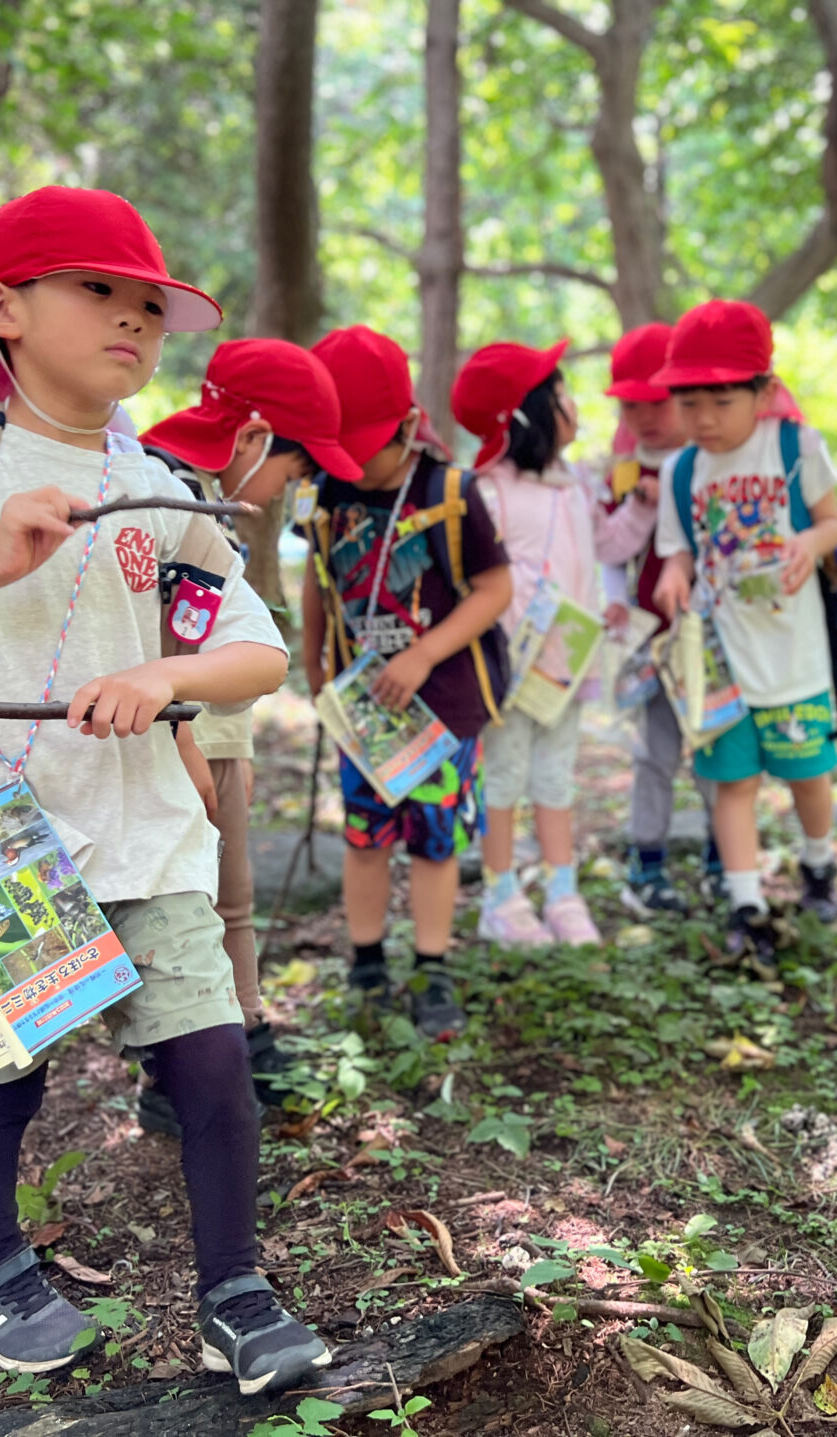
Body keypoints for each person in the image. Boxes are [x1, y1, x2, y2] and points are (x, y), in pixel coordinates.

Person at [0, 187, 329, 1393]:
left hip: (145, 826)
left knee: (210, 1065)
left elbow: (253, 652)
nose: (133, 322)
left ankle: (235, 1291)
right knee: (2, 1076)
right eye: (98, 292)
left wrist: (164, 671)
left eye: (150, 305)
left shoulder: (161, 491)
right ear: (0, 307)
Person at [135, 339, 363, 1122]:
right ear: (256, 434)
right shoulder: (166, 488)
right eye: (293, 471)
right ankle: (181, 1076)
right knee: (191, 908)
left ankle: (244, 1035)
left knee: (229, 902)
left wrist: (233, 744)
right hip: (176, 735)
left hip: (212, 735)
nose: (285, 494)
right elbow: (153, 640)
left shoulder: (200, 486)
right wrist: (188, 741)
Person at [303, 326, 512, 1036]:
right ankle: (366, 958)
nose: (354, 466)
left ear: (407, 426)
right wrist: (311, 658)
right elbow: (318, 578)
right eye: (341, 451)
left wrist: (425, 654)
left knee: (433, 839)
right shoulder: (328, 492)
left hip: (442, 708)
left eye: (365, 449)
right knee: (365, 836)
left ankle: (431, 963)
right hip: (365, 710)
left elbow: (494, 588)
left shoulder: (451, 491)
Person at [650, 299, 837, 970]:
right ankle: (745, 903)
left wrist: (808, 543)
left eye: (721, 399)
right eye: (688, 400)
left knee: (807, 774)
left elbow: (832, 523)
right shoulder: (682, 469)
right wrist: (673, 577)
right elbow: (678, 548)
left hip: (793, 656)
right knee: (732, 783)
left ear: (762, 391)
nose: (703, 417)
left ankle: (818, 862)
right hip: (721, 661)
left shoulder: (795, 445)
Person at [451, 340, 642, 947]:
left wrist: (639, 507)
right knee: (503, 776)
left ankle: (564, 891)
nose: (576, 405)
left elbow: (607, 546)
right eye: (562, 395)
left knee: (557, 776)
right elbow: (477, 577)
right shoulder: (487, 491)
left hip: (568, 662)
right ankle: (501, 896)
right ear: (531, 415)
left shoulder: (578, 484)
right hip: (512, 667)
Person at [598, 323, 722, 916]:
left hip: (716, 636)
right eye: (630, 405)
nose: (644, 416)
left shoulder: (710, 462)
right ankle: (647, 861)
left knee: (719, 750)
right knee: (655, 751)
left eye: (656, 401)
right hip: (652, 641)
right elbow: (608, 550)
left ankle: (726, 858)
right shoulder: (618, 472)